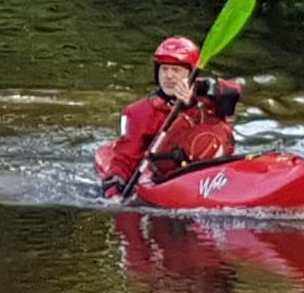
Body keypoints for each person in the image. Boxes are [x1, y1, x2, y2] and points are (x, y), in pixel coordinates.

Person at [100, 36, 242, 199]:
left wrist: (198, 89)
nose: (169, 76)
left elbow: (234, 92)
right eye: (164, 69)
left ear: (191, 74)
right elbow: (125, 158)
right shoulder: (140, 112)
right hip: (170, 177)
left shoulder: (208, 99)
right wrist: (114, 188)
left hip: (216, 171)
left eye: (176, 70)